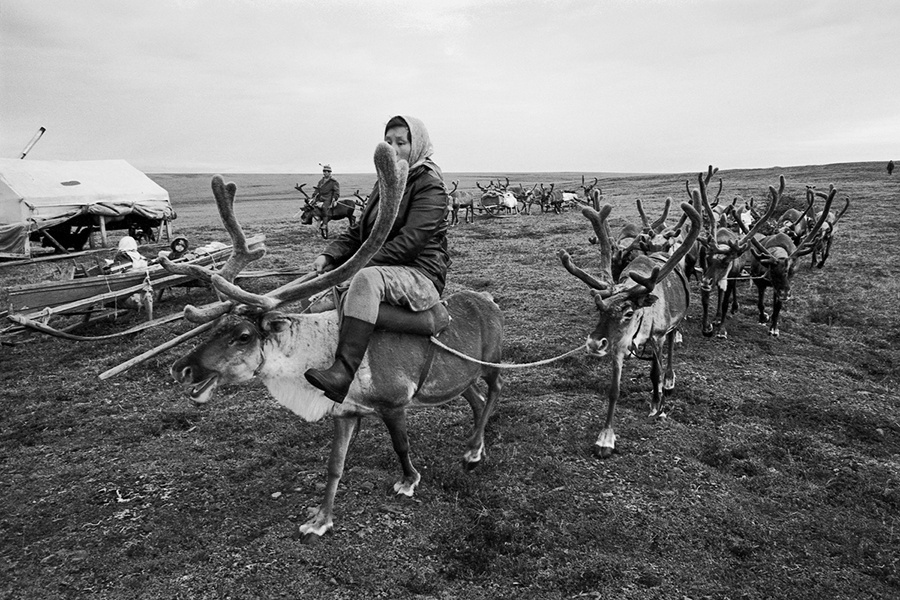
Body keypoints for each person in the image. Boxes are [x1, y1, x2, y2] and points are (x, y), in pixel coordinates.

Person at [304, 115, 451, 403]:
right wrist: (330, 255)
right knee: (318, 299)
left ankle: (342, 374)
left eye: (401, 142)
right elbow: (360, 233)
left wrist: (356, 267)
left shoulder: (429, 186)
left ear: (416, 145)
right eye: (388, 142)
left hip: (419, 273)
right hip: (380, 269)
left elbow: (410, 243)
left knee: (364, 282)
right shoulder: (385, 183)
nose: (393, 149)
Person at [315, 164, 341, 230]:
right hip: (321, 197)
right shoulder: (321, 181)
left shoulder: (333, 182)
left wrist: (335, 197)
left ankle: (325, 224)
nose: (324, 173)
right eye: (324, 171)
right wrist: (314, 196)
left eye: (326, 172)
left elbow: (336, 191)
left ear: (329, 173)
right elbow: (317, 189)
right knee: (311, 205)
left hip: (328, 198)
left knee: (324, 208)